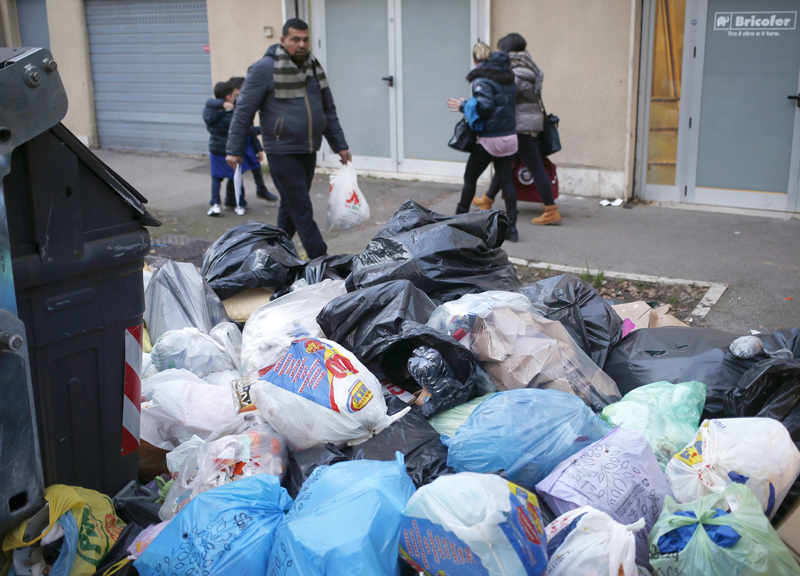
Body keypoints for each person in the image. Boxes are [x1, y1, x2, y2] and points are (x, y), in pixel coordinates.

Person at [226, 18, 351, 259]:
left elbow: (328, 110)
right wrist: (234, 149)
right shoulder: (264, 69)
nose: (301, 44)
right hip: (281, 150)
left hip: (308, 149)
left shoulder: (314, 67)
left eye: (305, 39)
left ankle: (269, 256)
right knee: (301, 207)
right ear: (283, 41)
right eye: (295, 39)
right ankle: (321, 259)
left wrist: (340, 145)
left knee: (290, 208)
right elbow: (243, 111)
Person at [472, 33, 560, 225]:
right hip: (528, 122)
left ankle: (551, 209)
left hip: (521, 124)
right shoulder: (529, 66)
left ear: (507, 51)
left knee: (535, 167)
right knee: (507, 164)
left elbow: (509, 95)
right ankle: (486, 200)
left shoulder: (516, 71)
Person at [448, 44, 519, 241]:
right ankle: (512, 230)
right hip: (510, 137)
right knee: (506, 181)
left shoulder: (482, 79)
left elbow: (486, 107)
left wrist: (465, 105)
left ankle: (458, 222)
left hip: (490, 138)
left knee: (470, 177)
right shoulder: (510, 80)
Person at [203, 80, 260, 216]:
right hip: (230, 150)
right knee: (235, 176)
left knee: (216, 178)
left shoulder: (209, 112)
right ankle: (239, 204)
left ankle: (215, 204)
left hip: (215, 149)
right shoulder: (232, 116)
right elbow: (246, 130)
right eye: (234, 96)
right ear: (228, 97)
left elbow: (209, 103)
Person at [229, 76, 277, 202]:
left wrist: (258, 148)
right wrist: (264, 129)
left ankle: (261, 189)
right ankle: (233, 198)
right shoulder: (229, 107)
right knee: (235, 171)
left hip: (248, 143)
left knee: (255, 166)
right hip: (236, 144)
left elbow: (249, 129)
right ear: (235, 91)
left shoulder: (243, 103)